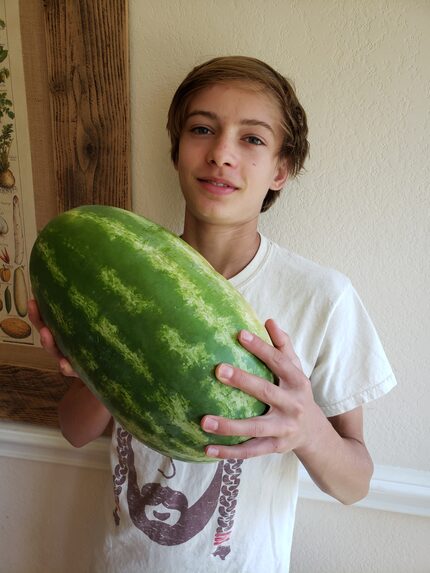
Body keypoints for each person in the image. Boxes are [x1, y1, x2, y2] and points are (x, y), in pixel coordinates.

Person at [29, 56, 396, 572]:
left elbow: (355, 483)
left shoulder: (321, 297)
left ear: (281, 169)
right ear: (177, 150)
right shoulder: (123, 276)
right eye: (202, 129)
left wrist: (308, 429)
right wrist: (96, 368)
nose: (221, 153)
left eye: (252, 139)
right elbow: (75, 430)